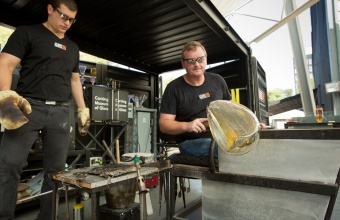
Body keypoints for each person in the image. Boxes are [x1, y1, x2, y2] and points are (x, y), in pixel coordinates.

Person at [0, 0, 90, 219]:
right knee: (9, 165)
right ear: (50, 9)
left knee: (56, 172)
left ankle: (47, 216)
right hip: (29, 107)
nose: (67, 23)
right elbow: (5, 64)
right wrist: (5, 98)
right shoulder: (27, 33)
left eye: (72, 19)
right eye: (63, 16)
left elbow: (75, 81)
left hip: (60, 113)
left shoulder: (73, 47)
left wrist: (82, 109)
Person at [159, 41, 232, 158]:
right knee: (225, 149)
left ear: (206, 59)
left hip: (220, 138)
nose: (197, 64)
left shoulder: (218, 81)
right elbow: (164, 125)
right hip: (190, 142)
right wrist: (187, 126)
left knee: (248, 143)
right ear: (183, 63)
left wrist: (250, 124)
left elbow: (230, 111)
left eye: (200, 59)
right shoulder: (173, 88)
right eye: (191, 61)